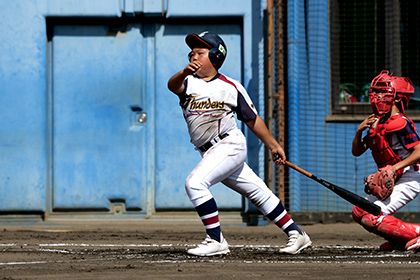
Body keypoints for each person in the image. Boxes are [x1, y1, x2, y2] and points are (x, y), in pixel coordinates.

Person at [167, 31, 311, 256]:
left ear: (216, 57)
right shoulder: (187, 82)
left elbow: (252, 119)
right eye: (191, 53)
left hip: (229, 145)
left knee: (195, 184)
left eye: (201, 53)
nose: (193, 57)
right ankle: (297, 234)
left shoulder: (230, 86)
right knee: (258, 192)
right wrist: (183, 72)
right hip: (211, 152)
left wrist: (273, 145)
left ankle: (215, 240)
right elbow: (172, 85)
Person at [351, 70, 420, 251]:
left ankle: (417, 234)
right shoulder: (376, 122)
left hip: (411, 177)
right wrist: (359, 131)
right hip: (393, 176)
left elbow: (419, 152)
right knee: (358, 211)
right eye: (376, 92)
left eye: (384, 92)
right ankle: (400, 239)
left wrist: (393, 168)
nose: (377, 96)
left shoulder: (401, 123)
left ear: (397, 98)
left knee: (371, 215)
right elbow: (356, 152)